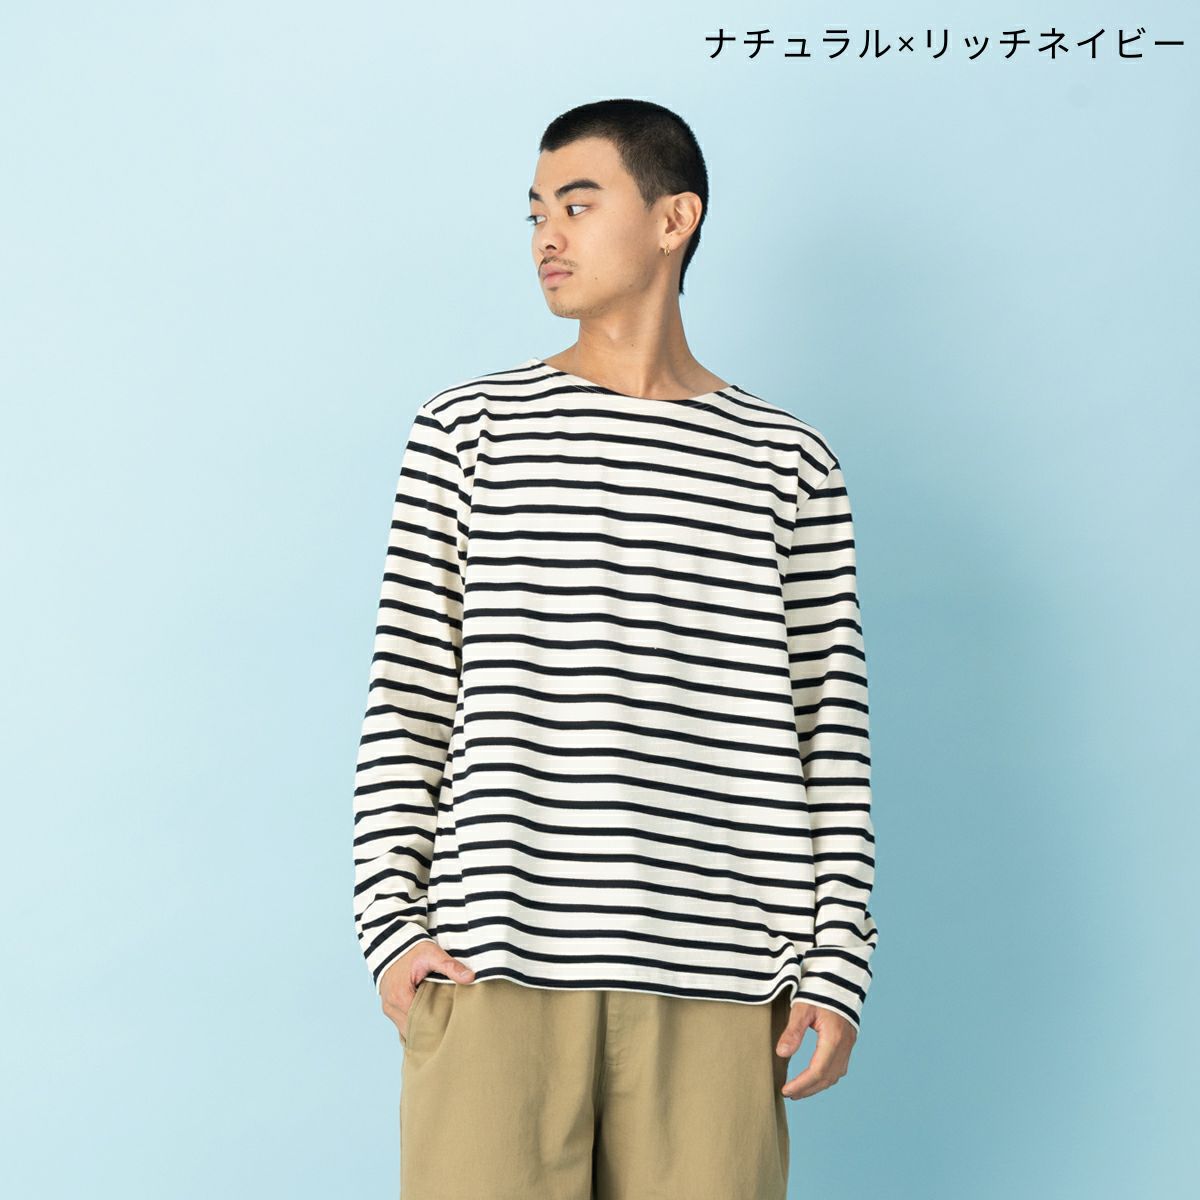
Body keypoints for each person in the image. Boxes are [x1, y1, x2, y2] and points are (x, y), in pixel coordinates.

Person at [352, 98, 879, 1199]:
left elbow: (829, 732)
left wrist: (838, 962)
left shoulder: (788, 462)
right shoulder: (469, 430)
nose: (546, 235)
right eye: (536, 211)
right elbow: (409, 696)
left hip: (727, 979)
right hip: (496, 964)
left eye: (579, 205)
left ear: (675, 219)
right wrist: (391, 927)